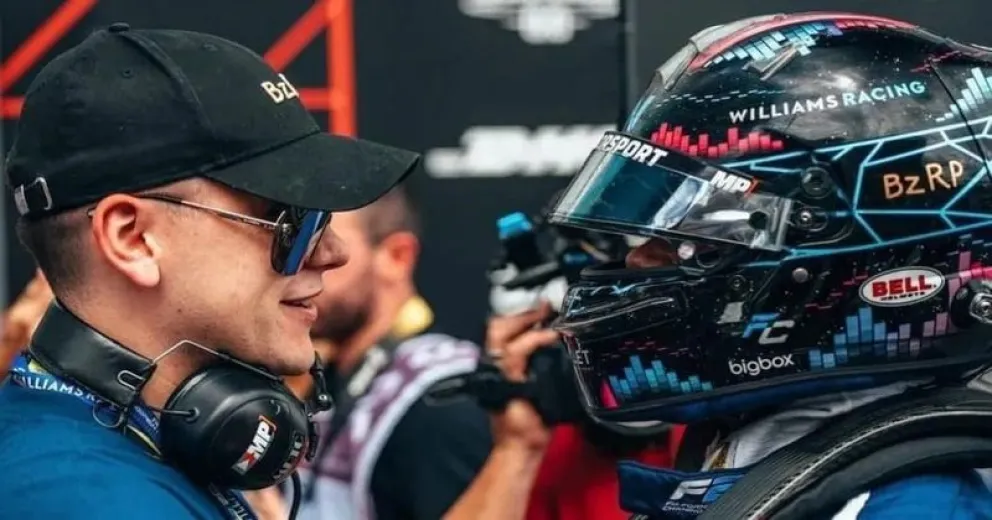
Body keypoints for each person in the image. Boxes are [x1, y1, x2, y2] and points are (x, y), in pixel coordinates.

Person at [462, 11, 992, 519]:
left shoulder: (903, 508)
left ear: (820, 258)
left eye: (685, 242)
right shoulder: (758, 461)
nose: (637, 260)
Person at [0, 23, 418, 520]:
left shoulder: (119, 450)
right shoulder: (87, 500)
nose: (332, 252)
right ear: (133, 238)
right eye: (290, 220)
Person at [285, 184, 491, 520]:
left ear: (397, 257)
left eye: (320, 247)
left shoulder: (444, 398)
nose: (294, 272)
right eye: (292, 246)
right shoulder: (330, 375)